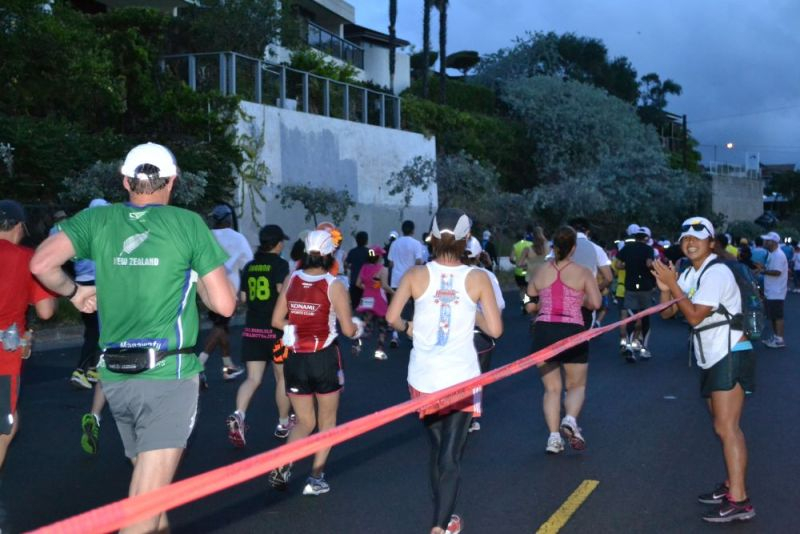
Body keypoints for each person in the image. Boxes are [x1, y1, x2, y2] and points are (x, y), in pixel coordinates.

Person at [31, 142, 236, 532]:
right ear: (172, 181)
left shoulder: (98, 220)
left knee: (153, 494)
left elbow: (41, 263)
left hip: (116, 379)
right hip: (168, 377)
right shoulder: (188, 224)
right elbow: (224, 306)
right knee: (145, 505)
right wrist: (199, 281)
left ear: (125, 181)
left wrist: (75, 292)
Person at [386, 208, 502, 534]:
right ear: (467, 239)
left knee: (437, 449)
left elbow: (392, 318)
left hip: (423, 378)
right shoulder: (478, 278)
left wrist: (409, 328)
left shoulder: (415, 274)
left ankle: (445, 518)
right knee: (451, 457)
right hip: (461, 379)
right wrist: (470, 311)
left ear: (433, 237)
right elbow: (495, 329)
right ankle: (440, 525)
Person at [652, 216, 756, 523]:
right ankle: (732, 484)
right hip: (711, 355)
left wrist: (673, 285)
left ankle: (740, 500)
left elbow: (695, 316)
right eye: (685, 238)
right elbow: (669, 313)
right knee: (722, 426)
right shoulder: (690, 273)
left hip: (729, 352)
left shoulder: (717, 272)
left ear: (711, 243)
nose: (690, 242)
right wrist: (665, 289)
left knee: (727, 427)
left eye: (697, 237)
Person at [268, 229, 364, 496]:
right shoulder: (334, 285)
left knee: (304, 422)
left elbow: (276, 321)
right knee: (327, 422)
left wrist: (295, 327)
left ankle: (283, 464)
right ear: (330, 254)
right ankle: (316, 478)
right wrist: (358, 328)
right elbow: (348, 329)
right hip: (324, 358)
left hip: (296, 359)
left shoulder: (291, 278)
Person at [525, 226, 601, 454]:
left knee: (551, 389)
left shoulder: (540, 272)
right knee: (576, 385)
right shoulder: (583, 272)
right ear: (573, 248)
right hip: (573, 331)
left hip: (544, 331)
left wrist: (538, 305)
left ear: (554, 246)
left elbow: (528, 302)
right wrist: (581, 300)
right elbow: (596, 303)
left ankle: (553, 438)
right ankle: (569, 419)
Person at [0, 200, 56, 469]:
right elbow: (46, 311)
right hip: (4, 360)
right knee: (3, 429)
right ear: (19, 226)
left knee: (11, 422)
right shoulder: (26, 259)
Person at [226, 224, 292, 448]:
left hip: (252, 329)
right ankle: (283, 423)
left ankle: (239, 414)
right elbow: (282, 291)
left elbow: (243, 298)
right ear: (278, 244)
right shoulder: (280, 265)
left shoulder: (250, 266)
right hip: (276, 331)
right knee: (282, 378)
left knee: (253, 379)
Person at [198, 204, 254, 384]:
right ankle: (198, 365)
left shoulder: (205, 236)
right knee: (220, 327)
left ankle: (228, 367)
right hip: (228, 290)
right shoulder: (238, 238)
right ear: (229, 219)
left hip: (206, 289)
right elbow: (248, 264)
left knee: (221, 327)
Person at [464, 237, 505, 432]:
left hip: (453, 333)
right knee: (478, 377)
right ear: (480, 254)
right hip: (480, 334)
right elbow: (499, 305)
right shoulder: (487, 276)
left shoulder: (448, 272)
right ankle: (471, 416)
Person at [69, 198, 109, 390]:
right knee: (98, 330)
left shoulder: (81, 233)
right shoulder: (103, 234)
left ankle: (93, 370)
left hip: (80, 283)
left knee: (93, 329)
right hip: (97, 284)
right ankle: (79, 371)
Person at [615, 226, 657, 361]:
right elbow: (649, 264)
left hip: (630, 287)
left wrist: (629, 265)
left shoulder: (627, 248)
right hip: (645, 287)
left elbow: (618, 265)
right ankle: (644, 349)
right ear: (646, 238)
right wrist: (654, 268)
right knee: (645, 318)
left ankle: (629, 348)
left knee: (631, 318)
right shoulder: (648, 249)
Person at [387, 220, 425, 347]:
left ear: (402, 230)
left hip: (396, 280)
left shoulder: (394, 243)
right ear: (413, 230)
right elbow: (419, 262)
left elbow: (390, 263)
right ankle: (411, 332)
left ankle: (395, 335)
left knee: (396, 307)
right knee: (415, 306)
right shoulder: (416, 244)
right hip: (412, 280)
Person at [355, 245, 393, 360]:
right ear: (379, 257)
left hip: (366, 299)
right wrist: (395, 293)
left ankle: (357, 345)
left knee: (365, 325)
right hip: (379, 300)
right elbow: (385, 286)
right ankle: (379, 352)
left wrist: (368, 288)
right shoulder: (383, 269)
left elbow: (358, 283)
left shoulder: (364, 267)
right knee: (382, 327)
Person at [760, 231, 788, 348]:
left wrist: (763, 271)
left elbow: (777, 272)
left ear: (773, 242)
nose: (764, 242)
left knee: (777, 316)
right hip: (772, 290)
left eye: (766, 240)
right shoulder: (773, 254)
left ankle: (779, 340)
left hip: (776, 291)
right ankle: (777, 337)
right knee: (773, 316)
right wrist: (763, 268)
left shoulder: (778, 255)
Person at [345, 231, 370, 309]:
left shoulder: (352, 252)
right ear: (366, 240)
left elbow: (345, 264)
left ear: (356, 241)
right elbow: (374, 263)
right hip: (366, 283)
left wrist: (351, 268)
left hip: (354, 281)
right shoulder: (371, 251)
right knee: (366, 305)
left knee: (354, 305)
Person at [509, 232, 533, 312]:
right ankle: (528, 303)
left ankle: (524, 304)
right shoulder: (530, 244)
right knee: (528, 288)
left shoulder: (515, 246)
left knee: (522, 289)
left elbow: (511, 258)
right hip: (529, 270)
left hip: (519, 271)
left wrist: (516, 262)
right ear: (524, 236)